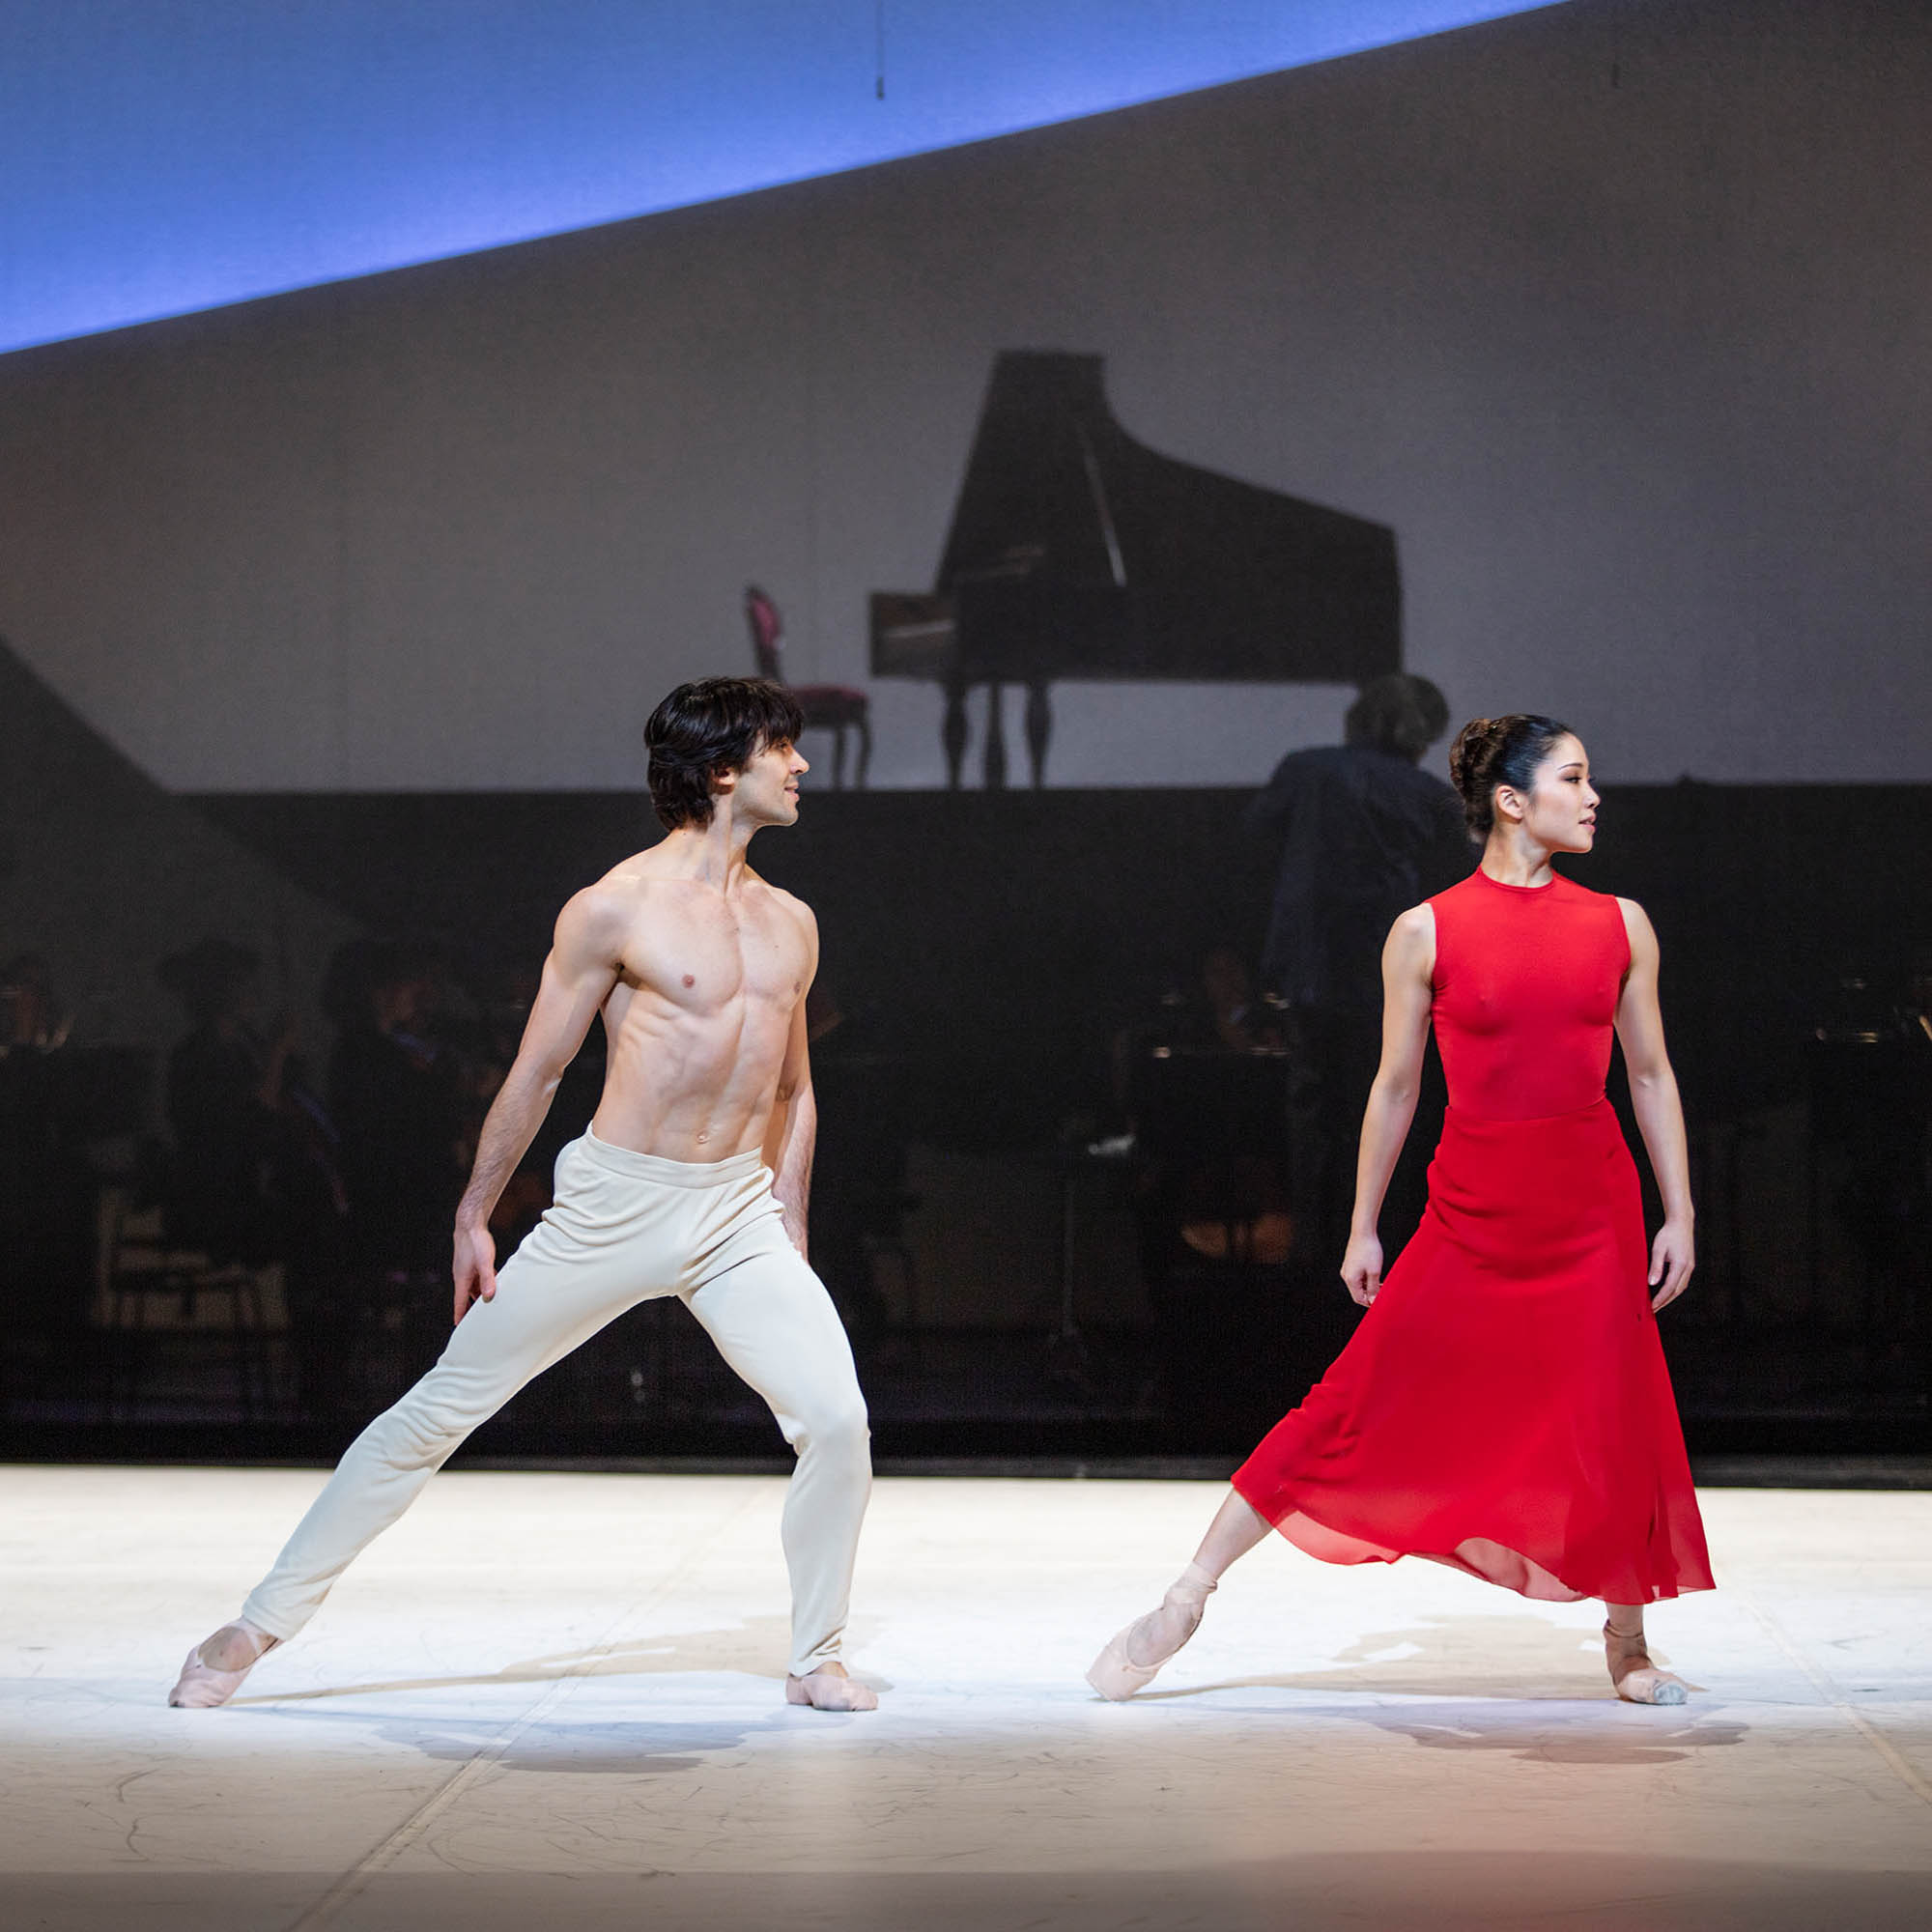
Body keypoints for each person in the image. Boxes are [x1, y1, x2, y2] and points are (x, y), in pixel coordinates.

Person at [170, 677, 877, 1714]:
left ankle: (816, 1652)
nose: (801, 765)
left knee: (836, 1417)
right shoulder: (612, 907)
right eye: (783, 748)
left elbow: (793, 1089)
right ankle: (257, 1622)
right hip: (614, 1203)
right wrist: (473, 1210)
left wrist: (790, 1222)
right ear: (723, 768)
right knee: (437, 1411)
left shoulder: (792, 922)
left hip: (732, 1211)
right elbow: (536, 1071)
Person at [1089, 714, 1714, 1707]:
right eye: (1572, 777)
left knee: (1612, 1412)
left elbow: (1648, 1072)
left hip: (1589, 1206)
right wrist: (1360, 1222)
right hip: (1470, 1210)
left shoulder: (1618, 923)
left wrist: (1676, 1210)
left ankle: (1627, 1642)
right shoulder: (1425, 928)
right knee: (1347, 1401)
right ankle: (1187, 1593)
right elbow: (1392, 1086)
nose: (1592, 796)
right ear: (1511, 800)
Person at [1246, 673, 1469, 1268]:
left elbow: (1252, 841)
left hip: (1310, 973)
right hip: (1390, 977)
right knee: (1389, 1114)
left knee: (1312, 1117)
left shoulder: (1305, 770)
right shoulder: (1429, 796)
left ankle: (1312, 1258)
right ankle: (1386, 1257)